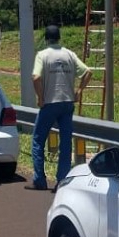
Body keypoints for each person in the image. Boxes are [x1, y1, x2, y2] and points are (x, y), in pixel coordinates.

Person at [28, 25, 91, 190]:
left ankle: (40, 180)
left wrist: (40, 98)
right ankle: (62, 180)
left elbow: (35, 77)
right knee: (65, 143)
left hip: (50, 103)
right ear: (59, 38)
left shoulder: (43, 55)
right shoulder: (69, 54)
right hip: (67, 102)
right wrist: (78, 91)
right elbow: (87, 72)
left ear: (46, 38)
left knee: (38, 140)